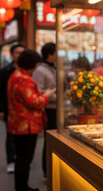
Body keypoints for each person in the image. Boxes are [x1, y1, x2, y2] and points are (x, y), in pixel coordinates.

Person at [7, 49, 56, 191]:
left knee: (21, 158)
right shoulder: (25, 79)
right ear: (31, 64)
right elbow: (33, 102)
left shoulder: (16, 75)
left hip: (17, 123)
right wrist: (47, 95)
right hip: (26, 125)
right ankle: (22, 188)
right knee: (24, 159)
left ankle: (22, 186)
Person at [32, 43, 56, 178]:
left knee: (56, 138)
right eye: (56, 52)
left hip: (56, 107)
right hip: (48, 108)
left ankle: (53, 169)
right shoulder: (40, 70)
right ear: (50, 54)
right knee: (49, 139)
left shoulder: (55, 67)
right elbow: (39, 91)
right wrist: (53, 96)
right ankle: (46, 171)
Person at [0, 43, 25, 173]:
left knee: (23, 137)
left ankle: (21, 160)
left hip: (25, 110)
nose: (20, 55)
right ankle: (11, 160)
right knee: (10, 136)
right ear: (12, 54)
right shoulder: (4, 71)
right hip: (9, 109)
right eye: (17, 53)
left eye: (22, 53)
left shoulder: (28, 71)